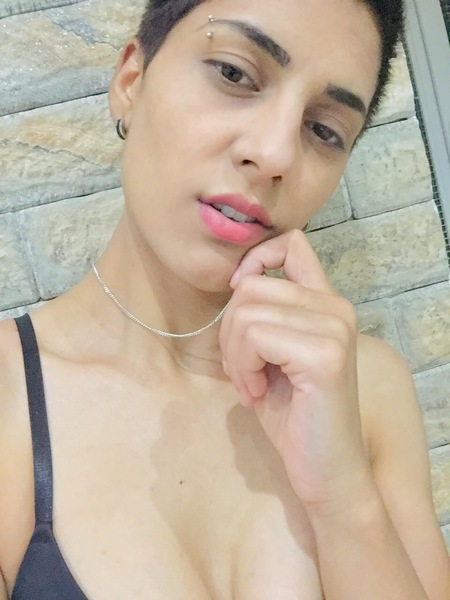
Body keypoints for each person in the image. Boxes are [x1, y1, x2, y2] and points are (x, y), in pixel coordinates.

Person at [0, 0, 449, 598]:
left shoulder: (364, 390)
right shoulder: (9, 395)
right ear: (131, 81)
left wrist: (343, 498)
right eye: (235, 73)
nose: (276, 154)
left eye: (324, 130)